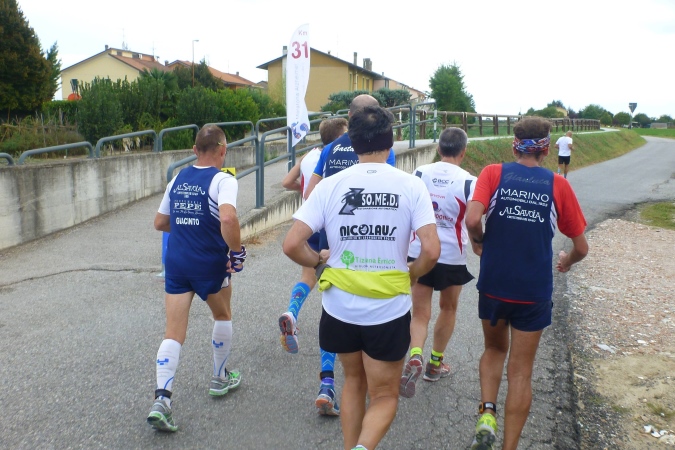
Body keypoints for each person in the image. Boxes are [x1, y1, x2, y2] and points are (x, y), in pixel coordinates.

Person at [283, 105, 440, 450]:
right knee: (383, 395)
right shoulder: (411, 186)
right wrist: (412, 275)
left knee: (353, 382)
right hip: (388, 308)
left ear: (352, 143)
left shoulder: (330, 186)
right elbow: (431, 250)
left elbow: (292, 244)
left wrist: (318, 262)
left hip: (339, 308)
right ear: (391, 141)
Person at [465, 116, 588, 450]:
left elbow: (473, 218)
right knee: (520, 371)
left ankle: (487, 413)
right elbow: (581, 247)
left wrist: (478, 241)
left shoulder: (493, 173)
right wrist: (567, 261)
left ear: (514, 146)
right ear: (546, 150)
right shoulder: (558, 185)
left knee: (493, 349)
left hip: (494, 283)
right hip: (533, 291)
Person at [147, 125, 247, 432]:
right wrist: (237, 251)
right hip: (209, 263)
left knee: (173, 332)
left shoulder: (177, 178)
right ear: (222, 150)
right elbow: (228, 217)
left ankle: (162, 401)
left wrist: (188, 225)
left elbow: (160, 222)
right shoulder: (223, 180)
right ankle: (219, 377)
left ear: (194, 150)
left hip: (177, 263)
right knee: (223, 314)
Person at [278, 117, 349, 416]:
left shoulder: (310, 156)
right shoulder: (346, 154)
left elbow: (289, 184)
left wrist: (304, 190)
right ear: (340, 137)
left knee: (308, 277)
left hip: (311, 222)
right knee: (333, 306)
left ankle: (292, 312)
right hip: (338, 227)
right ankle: (328, 383)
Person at [400, 127, 477, 398]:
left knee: (420, 312)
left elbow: (405, 209)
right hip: (452, 255)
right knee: (449, 308)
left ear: (438, 148)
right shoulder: (470, 181)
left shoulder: (420, 173)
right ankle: (435, 363)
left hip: (420, 250)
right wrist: (478, 243)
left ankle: (415, 355)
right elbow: (474, 220)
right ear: (463, 152)